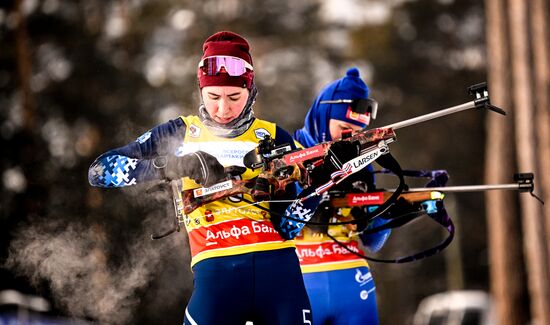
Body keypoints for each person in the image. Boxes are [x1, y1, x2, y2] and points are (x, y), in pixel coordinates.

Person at [88, 31, 313, 325]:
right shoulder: (179, 133)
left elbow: (290, 225)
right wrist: (173, 165)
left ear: (251, 90)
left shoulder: (273, 135)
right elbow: (100, 171)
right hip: (217, 273)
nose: (223, 109)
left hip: (280, 275)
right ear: (200, 89)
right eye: (213, 97)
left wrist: (317, 186)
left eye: (234, 97)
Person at [292, 67, 390, 325]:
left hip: (353, 286)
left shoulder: (361, 162)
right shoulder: (290, 156)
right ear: (323, 116)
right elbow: (277, 224)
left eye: (357, 132)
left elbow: (373, 242)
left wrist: (380, 216)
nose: (350, 138)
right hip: (298, 285)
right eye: (344, 127)